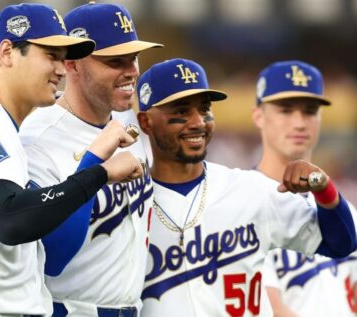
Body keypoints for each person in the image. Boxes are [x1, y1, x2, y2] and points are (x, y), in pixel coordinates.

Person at [0, 4, 143, 317]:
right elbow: (10, 217)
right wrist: (97, 172)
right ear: (7, 53)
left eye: (63, 58)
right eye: (50, 55)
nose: (61, 69)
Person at [136, 58, 357, 317]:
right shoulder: (129, 205)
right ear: (146, 122)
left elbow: (340, 242)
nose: (197, 122)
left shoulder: (249, 189)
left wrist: (323, 187)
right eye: (182, 111)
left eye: (204, 109)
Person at [19, 2, 162, 316]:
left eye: (133, 57)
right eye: (115, 61)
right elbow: (51, 258)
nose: (132, 71)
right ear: (72, 65)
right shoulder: (38, 139)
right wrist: (93, 163)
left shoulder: (127, 121)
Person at [252, 60, 357, 316]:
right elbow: (271, 310)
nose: (299, 123)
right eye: (285, 111)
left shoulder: (346, 210)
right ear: (258, 116)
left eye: (310, 111)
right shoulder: (246, 203)